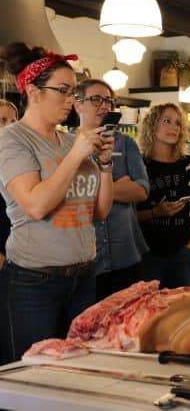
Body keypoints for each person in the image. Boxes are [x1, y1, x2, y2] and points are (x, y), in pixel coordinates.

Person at [0, 42, 113, 363]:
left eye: (74, 92)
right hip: (35, 282)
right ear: (34, 91)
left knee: (79, 372)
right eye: (63, 90)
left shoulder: (68, 140)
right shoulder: (12, 139)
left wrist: (105, 165)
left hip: (83, 277)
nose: (71, 100)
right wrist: (77, 155)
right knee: (36, 379)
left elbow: (101, 212)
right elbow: (35, 205)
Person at [74, 79, 149, 300]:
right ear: (77, 104)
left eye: (108, 101)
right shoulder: (65, 145)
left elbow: (141, 191)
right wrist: (118, 186)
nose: (104, 106)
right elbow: (70, 198)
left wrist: (95, 190)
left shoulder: (125, 143)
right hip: (87, 260)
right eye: (95, 99)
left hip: (126, 253)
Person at [136, 103, 190, 289]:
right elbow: (130, 215)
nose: (174, 127)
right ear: (152, 125)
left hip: (185, 251)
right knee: (155, 312)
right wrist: (156, 212)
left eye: (177, 123)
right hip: (149, 255)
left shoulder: (188, 165)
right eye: (166, 121)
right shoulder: (140, 165)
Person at [0, 99, 19, 267]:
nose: (9, 126)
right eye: (2, 120)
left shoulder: (19, 161)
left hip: (18, 254)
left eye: (13, 121)